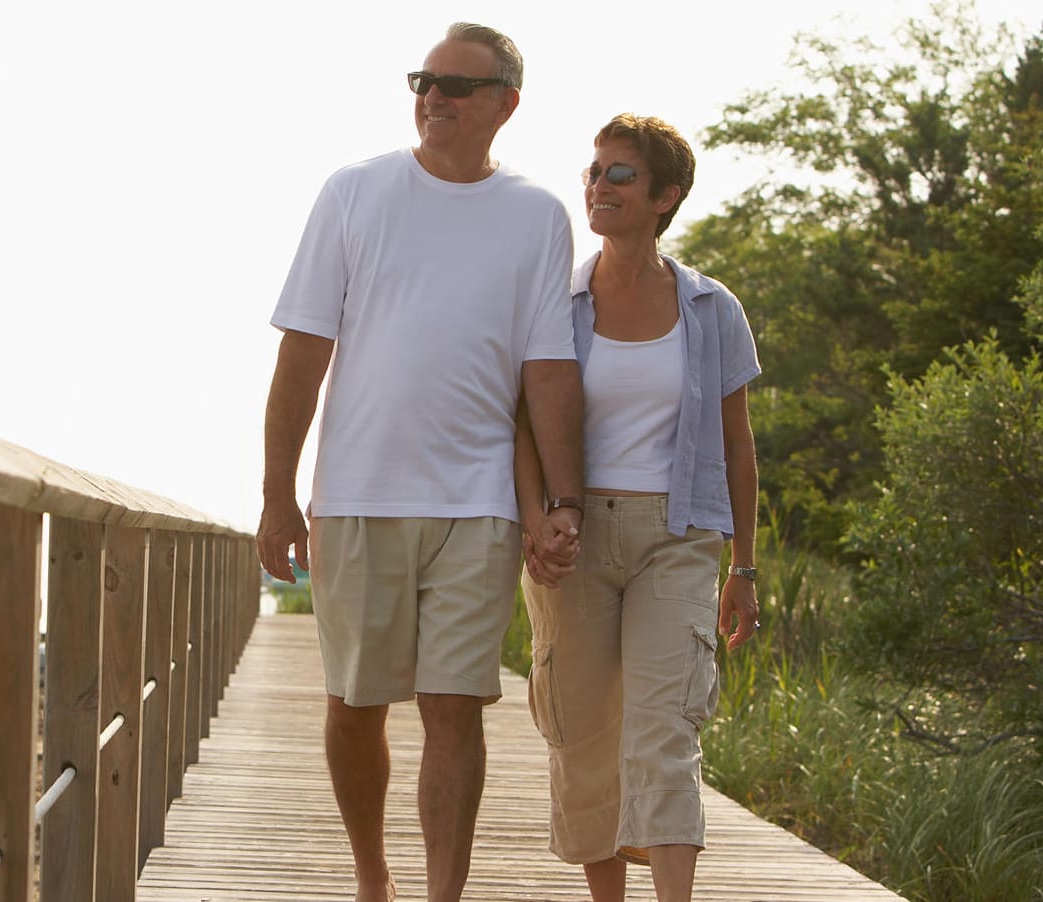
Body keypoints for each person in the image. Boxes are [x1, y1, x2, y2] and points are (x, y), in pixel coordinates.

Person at [256, 22, 585, 902]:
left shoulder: (536, 214)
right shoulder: (355, 192)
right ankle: (373, 878)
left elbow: (547, 369)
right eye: (422, 79)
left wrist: (564, 503)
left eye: (454, 85)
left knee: (453, 708)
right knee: (354, 706)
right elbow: (302, 355)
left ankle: (443, 894)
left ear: (504, 105)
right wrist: (276, 496)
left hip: (479, 502)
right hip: (357, 494)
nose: (431, 96)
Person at [517, 113, 762, 902]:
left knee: (664, 732)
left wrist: (744, 566)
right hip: (573, 537)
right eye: (593, 171)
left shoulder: (709, 308)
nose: (598, 185)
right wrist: (536, 519)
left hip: (676, 536)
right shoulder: (556, 301)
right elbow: (517, 422)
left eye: (619, 173)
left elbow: (736, 445)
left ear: (666, 196)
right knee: (581, 734)